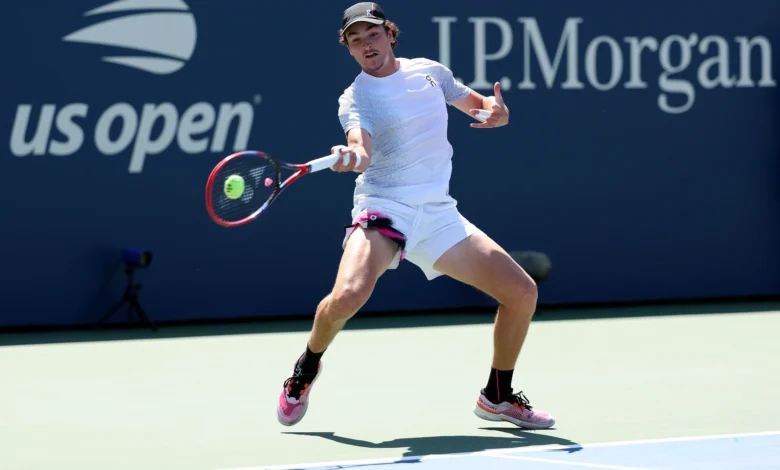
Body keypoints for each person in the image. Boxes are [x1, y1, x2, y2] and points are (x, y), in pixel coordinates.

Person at [276, 2, 555, 430]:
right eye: (355, 40)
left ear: (390, 34)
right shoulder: (356, 97)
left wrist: (496, 115)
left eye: (372, 35)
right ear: (349, 50)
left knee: (521, 292)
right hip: (384, 207)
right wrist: (350, 156)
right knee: (348, 297)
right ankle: (308, 365)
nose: (366, 45)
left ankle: (497, 395)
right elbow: (362, 149)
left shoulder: (430, 72)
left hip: (437, 212)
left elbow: (478, 106)